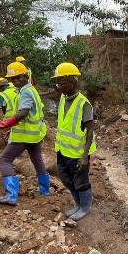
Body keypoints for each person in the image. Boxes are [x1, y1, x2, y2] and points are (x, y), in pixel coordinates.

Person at [0, 61, 49, 205]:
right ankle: (45, 190)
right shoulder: (30, 90)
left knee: (4, 160)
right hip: (35, 134)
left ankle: (11, 196)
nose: (14, 81)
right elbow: (30, 115)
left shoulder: (25, 92)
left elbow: (23, 113)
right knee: (37, 159)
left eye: (17, 77)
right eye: (12, 79)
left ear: (25, 76)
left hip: (25, 136)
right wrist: (11, 129)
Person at [52, 63, 96, 221]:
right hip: (63, 150)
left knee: (81, 181)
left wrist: (85, 155)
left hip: (78, 152)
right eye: (57, 83)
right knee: (66, 179)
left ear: (72, 82)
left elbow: (90, 130)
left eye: (61, 83)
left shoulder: (83, 103)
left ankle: (84, 207)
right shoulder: (63, 99)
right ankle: (77, 204)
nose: (59, 87)